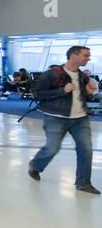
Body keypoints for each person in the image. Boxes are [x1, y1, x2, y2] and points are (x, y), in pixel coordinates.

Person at [29, 45, 99, 194]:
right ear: (74, 56)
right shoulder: (52, 74)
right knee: (52, 148)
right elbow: (38, 94)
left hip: (80, 118)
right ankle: (35, 165)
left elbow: (83, 96)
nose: (89, 58)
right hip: (56, 118)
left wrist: (89, 92)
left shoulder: (81, 76)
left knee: (86, 149)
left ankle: (83, 183)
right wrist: (63, 90)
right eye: (86, 55)